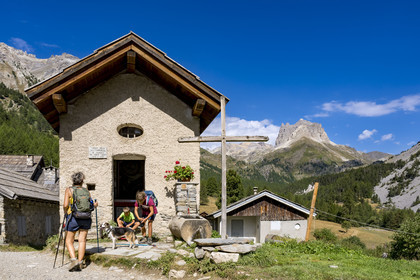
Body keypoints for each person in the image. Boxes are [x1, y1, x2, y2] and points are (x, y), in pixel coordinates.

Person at [63, 172, 98, 272]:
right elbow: (91, 205)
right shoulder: (86, 191)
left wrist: (66, 213)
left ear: (73, 180)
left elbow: (65, 205)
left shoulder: (69, 190)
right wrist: (96, 204)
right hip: (86, 218)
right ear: (82, 180)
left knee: (69, 240)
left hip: (73, 217)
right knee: (82, 240)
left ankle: (73, 260)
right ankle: (80, 262)